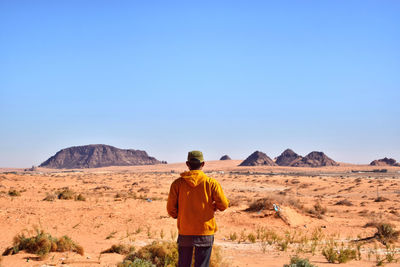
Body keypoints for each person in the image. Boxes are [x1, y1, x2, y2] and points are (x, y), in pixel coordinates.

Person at [167, 151, 229, 267]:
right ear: (203, 164)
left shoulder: (177, 184)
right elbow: (224, 205)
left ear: (187, 164)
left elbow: (171, 209)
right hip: (205, 232)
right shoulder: (211, 183)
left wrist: (179, 215)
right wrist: (212, 207)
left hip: (185, 231)